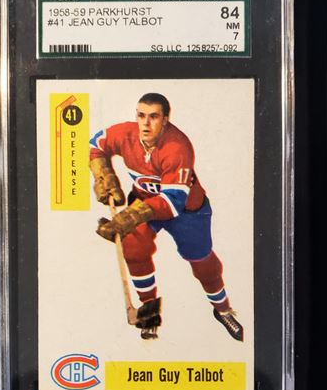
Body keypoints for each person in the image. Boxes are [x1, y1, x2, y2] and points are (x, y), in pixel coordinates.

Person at [89, 93, 243, 341]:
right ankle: (149, 313)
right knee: (133, 249)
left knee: (204, 264)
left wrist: (126, 219)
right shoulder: (126, 134)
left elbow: (172, 202)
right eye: (141, 116)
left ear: (165, 120)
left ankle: (223, 309)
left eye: (153, 117)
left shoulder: (177, 147)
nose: (145, 123)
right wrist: (103, 175)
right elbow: (97, 143)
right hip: (144, 201)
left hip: (187, 211)